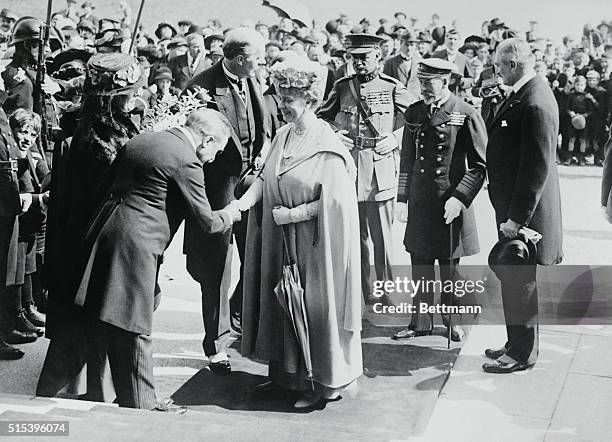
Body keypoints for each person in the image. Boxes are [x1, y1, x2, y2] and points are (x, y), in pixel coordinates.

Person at [69, 108, 240, 410]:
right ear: (206, 139)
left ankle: (107, 394)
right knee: (136, 326)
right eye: (216, 150)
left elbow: (104, 188)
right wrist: (231, 213)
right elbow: (207, 222)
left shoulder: (144, 140)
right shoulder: (186, 161)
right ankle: (143, 407)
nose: (213, 158)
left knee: (107, 319)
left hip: (106, 233)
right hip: (137, 247)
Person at [238, 57, 362, 409]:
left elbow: (337, 205)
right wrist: (242, 205)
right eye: (279, 98)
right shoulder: (281, 135)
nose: (281, 106)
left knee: (312, 309)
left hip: (315, 247)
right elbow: (264, 178)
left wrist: (293, 214)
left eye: (289, 100)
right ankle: (287, 376)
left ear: (309, 100)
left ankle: (321, 383)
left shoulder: (329, 148)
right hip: (281, 242)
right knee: (283, 306)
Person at [38, 53, 143, 402]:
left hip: (88, 238)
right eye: (128, 93)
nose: (134, 98)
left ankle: (93, 388)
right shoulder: (95, 140)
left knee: (90, 321)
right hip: (88, 239)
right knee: (84, 321)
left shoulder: (101, 127)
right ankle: (67, 390)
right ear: (111, 99)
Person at [184, 27, 270, 360]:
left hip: (251, 180)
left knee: (258, 255)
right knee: (217, 267)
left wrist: (262, 151)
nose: (261, 63)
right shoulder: (201, 87)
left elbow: (260, 126)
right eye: (256, 58)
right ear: (236, 59)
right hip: (215, 187)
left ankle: (238, 315)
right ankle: (216, 344)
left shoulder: (253, 79)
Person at [317, 33, 417, 304]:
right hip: (350, 169)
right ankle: (364, 290)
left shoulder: (392, 87)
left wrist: (394, 139)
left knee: (382, 237)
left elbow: (416, 120)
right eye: (354, 58)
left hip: (379, 169)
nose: (359, 64)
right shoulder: (342, 87)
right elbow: (321, 118)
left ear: (378, 58)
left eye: (364, 58)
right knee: (356, 237)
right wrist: (335, 133)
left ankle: (387, 292)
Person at [392, 59, 487, 341]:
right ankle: (419, 323)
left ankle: (451, 321)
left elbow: (480, 166)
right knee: (419, 266)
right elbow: (406, 160)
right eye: (421, 83)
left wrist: (459, 198)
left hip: (450, 204)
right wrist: (401, 198)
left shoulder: (465, 113)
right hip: (421, 204)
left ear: (445, 82)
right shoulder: (415, 111)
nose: (423, 89)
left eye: (429, 83)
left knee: (449, 269)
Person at [483, 38, 563, 374]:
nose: (497, 72)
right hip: (515, 209)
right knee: (513, 277)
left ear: (513, 64)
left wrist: (516, 219)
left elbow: (536, 169)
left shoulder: (536, 102)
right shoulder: (524, 94)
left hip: (524, 215)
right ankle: (515, 341)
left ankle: (522, 353)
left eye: (500, 66)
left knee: (520, 280)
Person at [383, 30, 422, 99]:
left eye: (412, 45)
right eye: (406, 44)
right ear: (401, 43)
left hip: (416, 101)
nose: (409, 48)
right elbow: (386, 86)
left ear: (416, 46)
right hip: (398, 102)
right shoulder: (390, 62)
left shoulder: (420, 62)